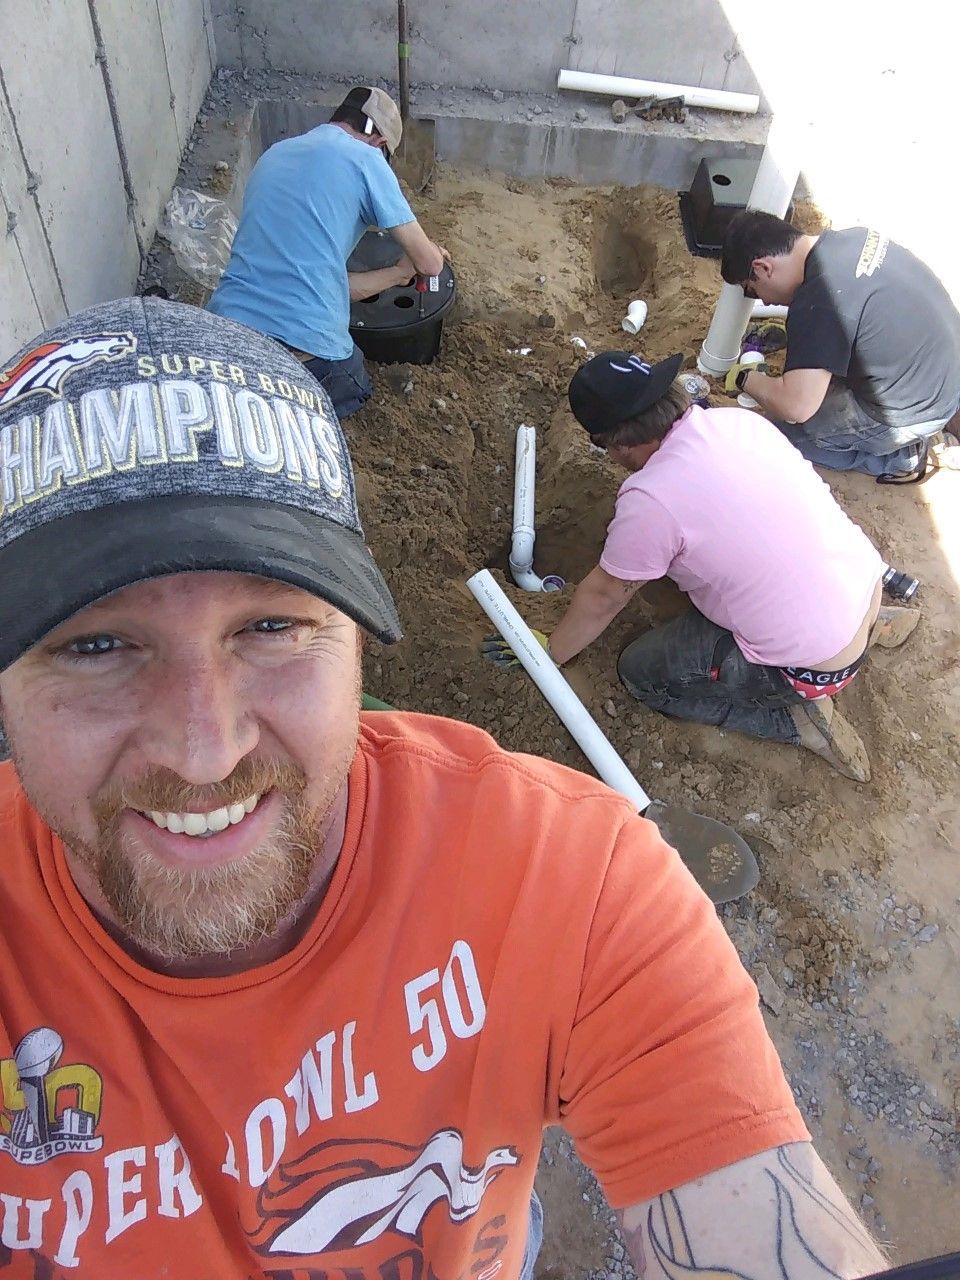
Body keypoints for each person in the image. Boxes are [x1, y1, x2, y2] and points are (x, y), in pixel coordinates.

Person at [0, 299, 888, 1279]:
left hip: (784, 657)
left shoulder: (573, 882)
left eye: (271, 626)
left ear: (355, 643)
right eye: (95, 644)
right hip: (856, 594)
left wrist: (552, 650)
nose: (205, 751)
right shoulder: (736, 431)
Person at [489, 351, 920, 782]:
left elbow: (604, 597)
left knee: (641, 674)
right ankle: (873, 627)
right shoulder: (737, 422)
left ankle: (795, 721)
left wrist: (549, 652)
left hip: (810, 668)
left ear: (620, 445)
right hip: (863, 586)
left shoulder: (651, 501)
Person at [208, 85, 447, 420]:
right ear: (379, 143)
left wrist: (398, 274)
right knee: (355, 383)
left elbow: (327, 285)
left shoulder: (275, 153)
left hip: (222, 332)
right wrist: (427, 255)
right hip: (300, 350)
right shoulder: (367, 159)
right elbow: (430, 264)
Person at [720, 210, 960, 481]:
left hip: (916, 409)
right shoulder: (852, 239)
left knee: (784, 435)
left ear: (763, 268)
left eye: (751, 290)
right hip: (945, 367)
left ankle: (903, 457)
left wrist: (745, 379)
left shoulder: (819, 299)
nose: (763, 301)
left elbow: (796, 407)